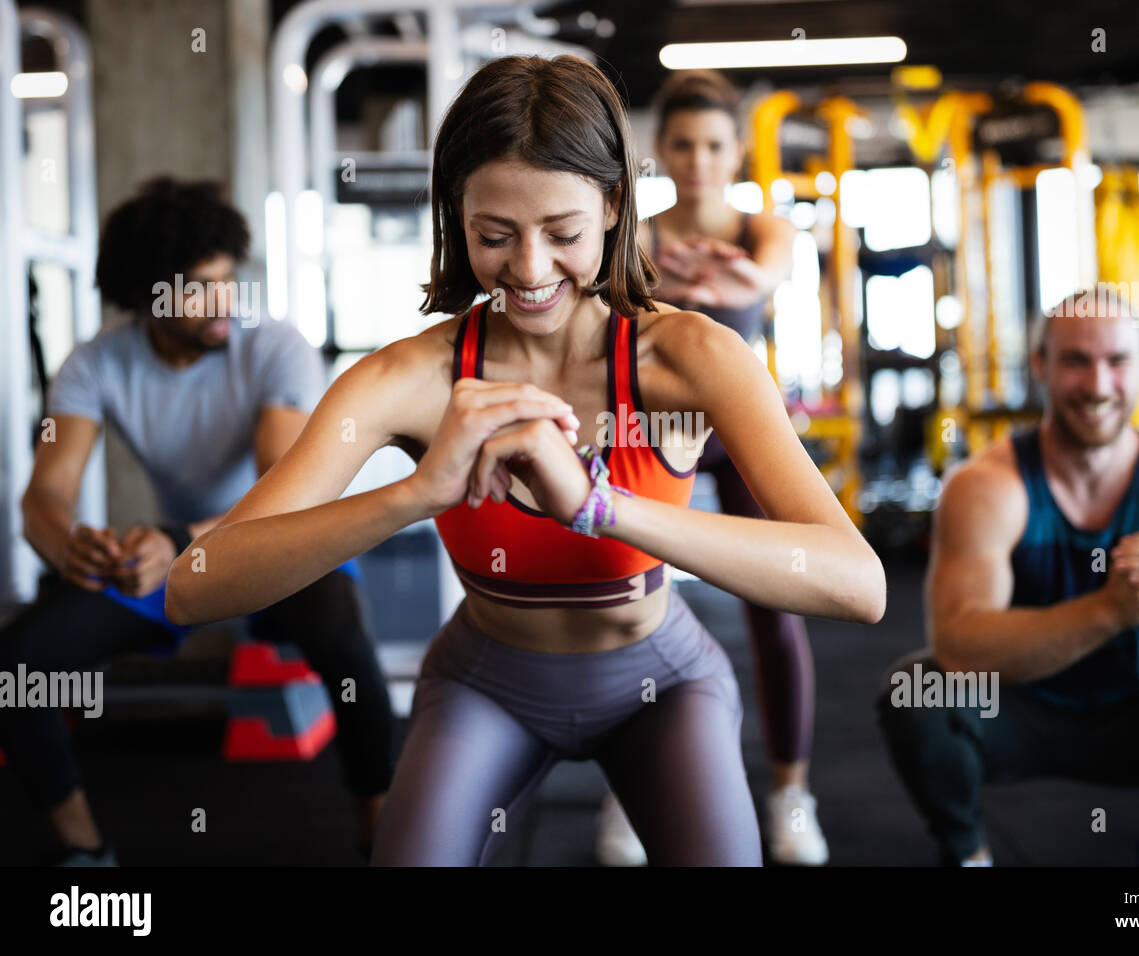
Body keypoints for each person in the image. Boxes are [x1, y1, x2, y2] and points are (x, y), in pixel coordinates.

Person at [165, 55, 886, 868]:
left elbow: (859, 585)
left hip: (661, 681)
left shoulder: (688, 357)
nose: (531, 270)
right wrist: (413, 493)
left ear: (614, 207)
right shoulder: (406, 379)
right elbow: (195, 585)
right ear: (456, 216)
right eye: (494, 235)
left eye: (565, 233)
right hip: (485, 681)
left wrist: (596, 504)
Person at [0, 178, 396, 865]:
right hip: (173, 558)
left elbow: (285, 494)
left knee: (345, 644)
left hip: (281, 541)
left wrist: (180, 540)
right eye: (195, 289)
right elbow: (43, 499)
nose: (223, 303)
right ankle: (85, 853)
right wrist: (76, 548)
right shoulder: (96, 364)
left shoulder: (274, 346)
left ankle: (384, 838)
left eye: (225, 280)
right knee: (18, 666)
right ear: (145, 296)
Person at [876, 286, 1139, 866]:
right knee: (915, 689)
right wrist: (1110, 609)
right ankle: (967, 856)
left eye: (1117, 361)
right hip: (1017, 712)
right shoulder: (986, 486)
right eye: (1076, 360)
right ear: (1040, 365)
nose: (1098, 385)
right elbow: (958, 642)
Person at [594, 69, 825, 867]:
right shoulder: (639, 235)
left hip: (748, 428)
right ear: (662, 150)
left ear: (736, 151)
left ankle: (791, 795)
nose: (698, 160)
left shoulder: (763, 229)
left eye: (714, 145)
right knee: (625, 603)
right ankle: (629, 791)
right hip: (661, 431)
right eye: (683, 144)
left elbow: (768, 275)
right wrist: (659, 283)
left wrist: (731, 279)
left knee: (778, 608)